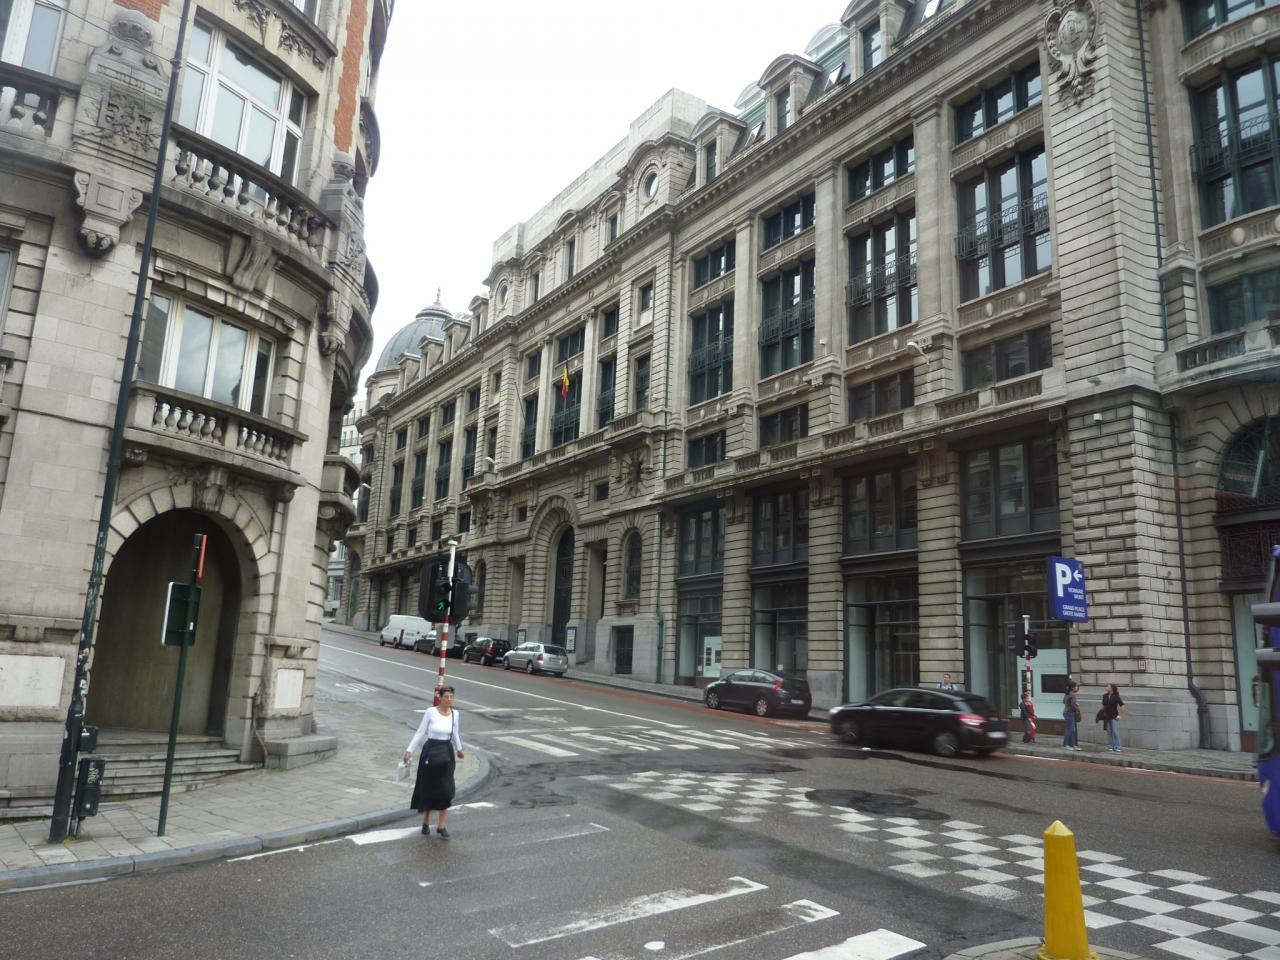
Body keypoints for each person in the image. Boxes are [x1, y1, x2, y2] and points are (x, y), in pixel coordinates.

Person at [403, 686, 465, 839]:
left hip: (446, 753)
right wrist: (409, 751)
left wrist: (459, 749)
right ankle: (425, 821)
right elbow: (420, 732)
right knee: (429, 787)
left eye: (451, 697)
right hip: (430, 752)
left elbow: (455, 733)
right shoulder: (430, 712)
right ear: (440, 697)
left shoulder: (455, 714)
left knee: (445, 789)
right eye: (446, 697)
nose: (449, 699)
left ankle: (441, 826)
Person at [1101, 682, 1125, 752]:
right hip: (1107, 716)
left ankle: (1118, 746)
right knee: (1109, 731)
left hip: (1114, 716)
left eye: (1108, 686)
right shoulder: (1105, 695)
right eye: (1107, 686)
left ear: (1112, 688)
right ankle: (1111, 745)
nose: (1107, 687)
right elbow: (1103, 705)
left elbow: (1122, 705)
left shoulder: (1116, 696)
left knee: (1115, 731)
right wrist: (1102, 713)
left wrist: (1120, 715)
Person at [1062, 681, 1080, 751]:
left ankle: (1071, 744)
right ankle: (1067, 745)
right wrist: (1076, 708)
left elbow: (1063, 701)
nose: (1077, 687)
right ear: (1072, 687)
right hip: (1070, 713)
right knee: (1071, 729)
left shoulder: (1067, 693)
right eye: (1076, 686)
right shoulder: (1072, 695)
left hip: (1066, 712)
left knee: (1070, 729)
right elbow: (1072, 705)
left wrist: (1073, 704)